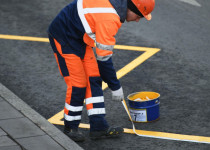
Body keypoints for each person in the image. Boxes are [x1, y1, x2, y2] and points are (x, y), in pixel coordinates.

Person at [48, 0, 155, 142]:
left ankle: (98, 127)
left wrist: (112, 83)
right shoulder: (110, 18)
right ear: (131, 8)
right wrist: (115, 86)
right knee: (78, 84)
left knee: (93, 78)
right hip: (64, 36)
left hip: (80, 37)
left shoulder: (115, 7)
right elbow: (104, 60)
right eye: (139, 16)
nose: (137, 20)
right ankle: (70, 128)